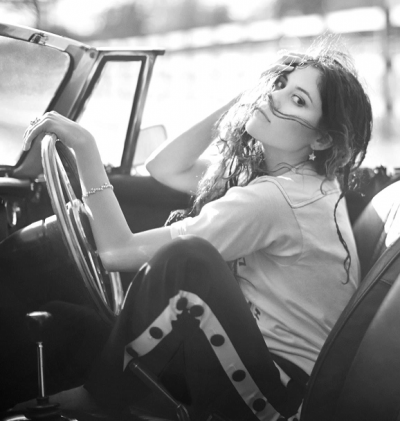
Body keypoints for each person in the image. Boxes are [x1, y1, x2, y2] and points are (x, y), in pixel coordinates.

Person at [22, 36, 372, 421]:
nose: (275, 97)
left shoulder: (276, 199)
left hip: (282, 399)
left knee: (188, 263)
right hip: (262, 366)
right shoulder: (303, 182)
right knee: (67, 324)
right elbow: (165, 168)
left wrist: (85, 147)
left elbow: (117, 252)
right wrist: (249, 97)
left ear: (322, 138)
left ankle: (100, 399)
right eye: (279, 84)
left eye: (298, 100)